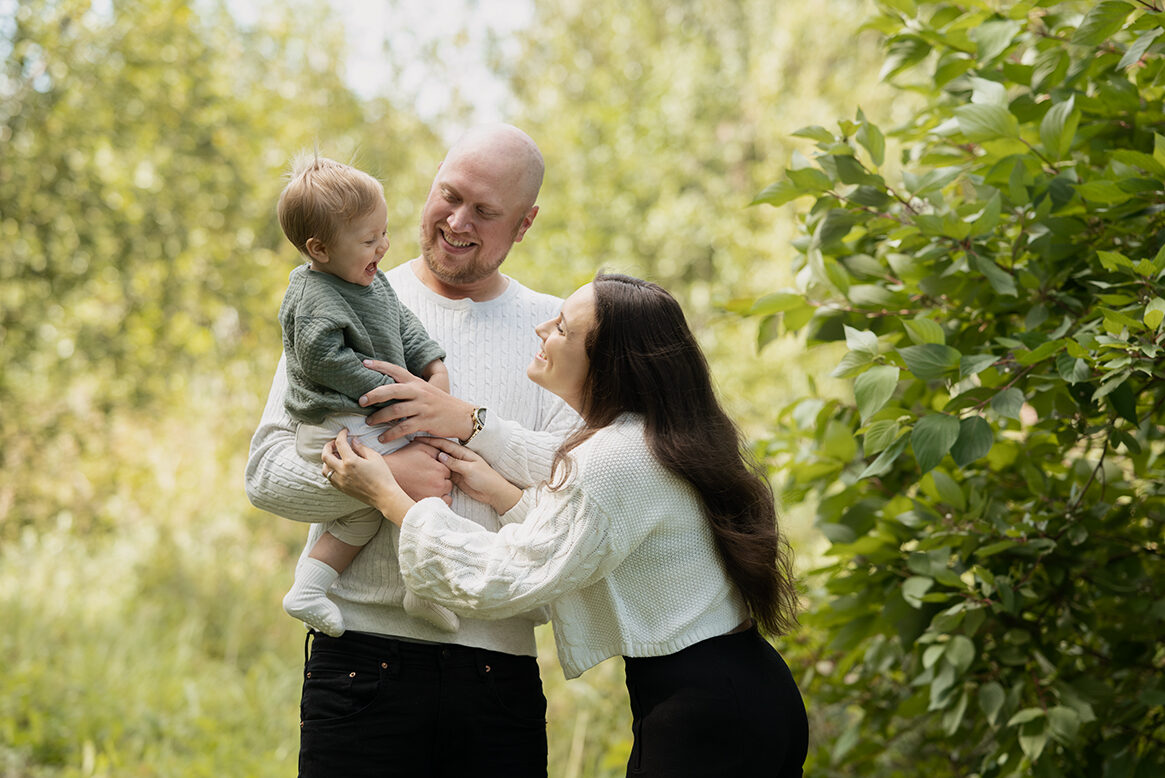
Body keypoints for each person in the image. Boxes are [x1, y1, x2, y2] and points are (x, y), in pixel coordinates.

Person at [323, 273, 811, 777]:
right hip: (741, 696)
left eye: (562, 328)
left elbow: (505, 576)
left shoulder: (616, 460)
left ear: (609, 362)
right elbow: (572, 496)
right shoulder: (655, 439)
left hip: (708, 721)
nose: (541, 329)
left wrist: (390, 498)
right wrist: (481, 445)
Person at [245, 124, 578, 777]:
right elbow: (265, 473)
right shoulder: (337, 294)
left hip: (497, 677)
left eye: (484, 211)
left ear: (525, 223)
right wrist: (379, 478)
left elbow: (571, 510)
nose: (456, 221)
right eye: (447, 196)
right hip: (361, 669)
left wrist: (481, 454)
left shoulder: (560, 333)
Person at [273, 154, 459, 636]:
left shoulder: (374, 284)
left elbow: (404, 326)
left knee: (370, 514)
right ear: (320, 249)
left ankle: (311, 588)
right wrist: (389, 392)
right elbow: (323, 358)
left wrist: (431, 368)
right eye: (369, 240)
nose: (384, 246)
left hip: (361, 422)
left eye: (384, 232)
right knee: (427, 481)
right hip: (336, 424)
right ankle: (421, 588)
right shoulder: (313, 294)